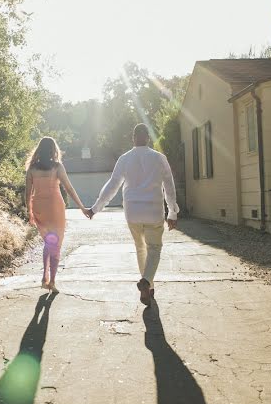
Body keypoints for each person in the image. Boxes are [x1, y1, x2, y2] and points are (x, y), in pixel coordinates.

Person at [85, 123, 178, 306]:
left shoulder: (125, 159)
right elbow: (169, 186)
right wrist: (173, 212)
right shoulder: (159, 158)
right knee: (154, 248)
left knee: (140, 248)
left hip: (132, 211)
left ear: (133, 138)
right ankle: (146, 282)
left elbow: (112, 185)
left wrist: (96, 208)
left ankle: (148, 287)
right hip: (153, 210)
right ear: (148, 138)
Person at [25, 137, 90, 291]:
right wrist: (82, 207)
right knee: (55, 244)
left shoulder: (32, 169)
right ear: (54, 150)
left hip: (39, 207)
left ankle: (44, 277)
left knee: (48, 242)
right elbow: (69, 188)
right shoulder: (57, 167)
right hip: (55, 207)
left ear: (39, 150)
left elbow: (28, 193)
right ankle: (51, 281)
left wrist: (29, 212)